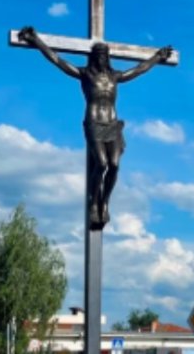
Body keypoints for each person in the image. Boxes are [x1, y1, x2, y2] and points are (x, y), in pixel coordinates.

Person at [18, 26, 172, 228]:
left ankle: (104, 203)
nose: (101, 58)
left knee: (114, 165)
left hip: (112, 124)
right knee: (101, 163)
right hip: (93, 123)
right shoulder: (85, 75)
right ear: (93, 57)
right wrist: (37, 41)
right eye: (98, 55)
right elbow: (58, 60)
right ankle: (93, 202)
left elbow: (138, 69)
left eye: (104, 55)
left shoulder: (115, 76)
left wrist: (157, 57)